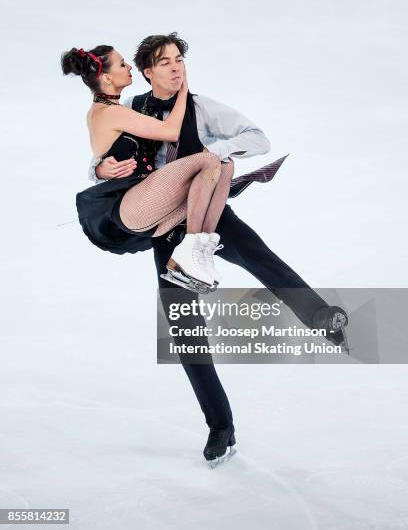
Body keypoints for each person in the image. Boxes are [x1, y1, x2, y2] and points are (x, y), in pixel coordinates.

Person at [87, 33, 350, 467]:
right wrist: (99, 168)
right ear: (147, 72)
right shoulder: (131, 109)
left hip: (210, 211)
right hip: (163, 226)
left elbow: (257, 138)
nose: (175, 67)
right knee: (185, 330)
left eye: (178, 60)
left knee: (261, 259)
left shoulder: (201, 107)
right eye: (164, 62)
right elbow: (105, 157)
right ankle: (220, 427)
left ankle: (321, 317)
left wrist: (218, 150)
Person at [61, 45, 236, 293]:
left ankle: (195, 254)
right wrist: (183, 90)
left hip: (152, 207)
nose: (129, 67)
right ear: (107, 77)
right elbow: (170, 132)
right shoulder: (110, 113)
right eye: (122, 64)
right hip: (132, 207)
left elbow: (105, 157)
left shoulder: (115, 111)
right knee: (209, 159)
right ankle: (189, 250)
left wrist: (98, 168)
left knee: (225, 165)